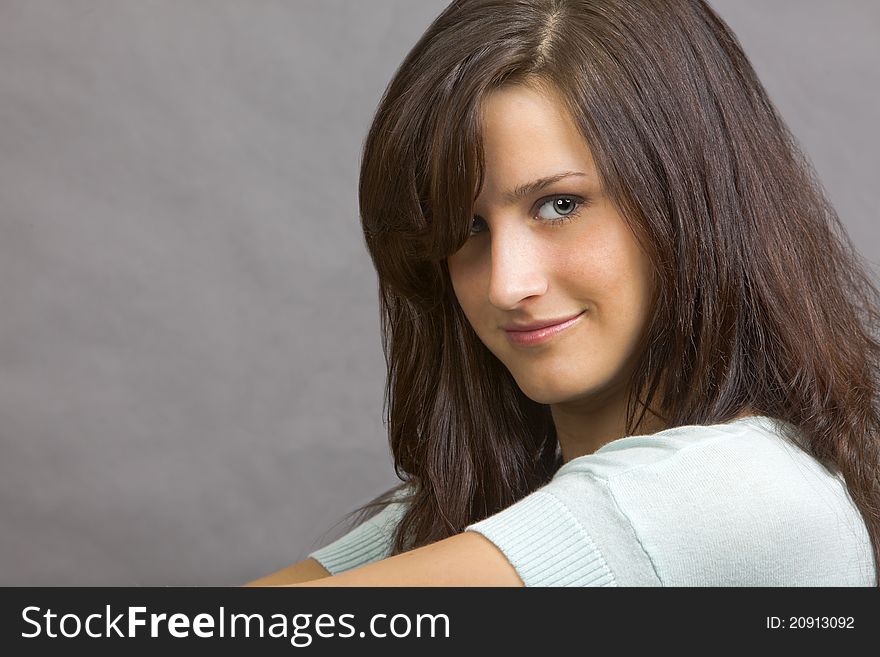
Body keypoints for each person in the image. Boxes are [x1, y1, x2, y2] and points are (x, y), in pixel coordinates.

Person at [245, 0, 879, 587]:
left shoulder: (743, 492)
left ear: (693, 201)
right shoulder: (499, 503)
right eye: (467, 228)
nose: (505, 284)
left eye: (560, 204)